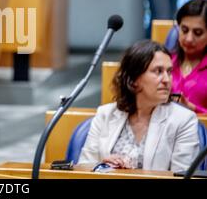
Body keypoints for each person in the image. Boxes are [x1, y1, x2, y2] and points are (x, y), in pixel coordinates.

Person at [79, 40, 199, 172]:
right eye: (158, 71)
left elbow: (183, 176)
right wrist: (102, 166)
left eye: (169, 72)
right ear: (134, 79)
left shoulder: (183, 120)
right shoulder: (105, 114)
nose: (166, 79)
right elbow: (82, 168)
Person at [171, 0, 207, 113]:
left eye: (198, 33)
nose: (189, 39)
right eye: (184, 30)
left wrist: (194, 110)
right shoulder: (165, 62)